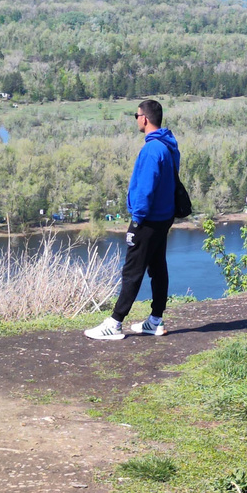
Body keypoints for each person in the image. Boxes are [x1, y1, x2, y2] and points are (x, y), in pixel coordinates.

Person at [85, 99, 180, 340]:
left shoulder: (151, 150)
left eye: (136, 115)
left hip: (147, 220)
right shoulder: (169, 145)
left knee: (132, 270)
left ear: (144, 118)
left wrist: (136, 220)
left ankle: (115, 323)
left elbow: (145, 189)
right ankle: (155, 321)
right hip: (163, 218)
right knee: (158, 267)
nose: (136, 119)